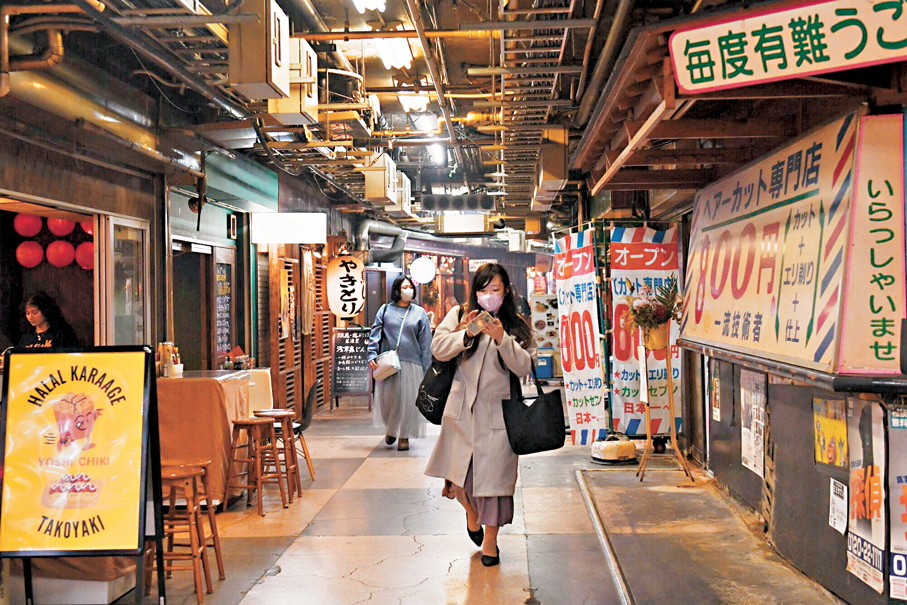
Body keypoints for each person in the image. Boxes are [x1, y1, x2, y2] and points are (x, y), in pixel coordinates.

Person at [424, 263, 535, 567]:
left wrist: (502, 339)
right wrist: (465, 334)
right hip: (461, 415)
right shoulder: (460, 315)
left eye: (495, 290)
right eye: (483, 290)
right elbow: (438, 348)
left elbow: (525, 367)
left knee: (494, 487)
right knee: (462, 481)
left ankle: (490, 543)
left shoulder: (516, 325)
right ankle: (471, 514)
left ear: (506, 291)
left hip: (498, 418)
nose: (488, 296)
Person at [367, 276, 433, 451]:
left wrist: (428, 369)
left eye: (410, 286)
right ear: (397, 290)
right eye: (405, 286)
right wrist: (371, 354)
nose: (408, 289)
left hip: (413, 364)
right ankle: (391, 429)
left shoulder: (419, 313)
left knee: (409, 402)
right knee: (389, 400)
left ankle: (404, 436)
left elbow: (426, 343)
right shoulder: (385, 310)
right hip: (389, 364)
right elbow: (375, 333)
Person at [17, 291, 81, 349]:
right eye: (27, 313)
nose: (30, 317)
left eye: (35, 312)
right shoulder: (26, 338)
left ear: (45, 311)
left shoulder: (61, 334)